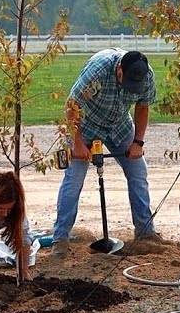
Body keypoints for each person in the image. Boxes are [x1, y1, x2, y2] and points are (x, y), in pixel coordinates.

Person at [52, 48, 159, 249]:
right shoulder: (99, 70)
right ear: (119, 69)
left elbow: (143, 107)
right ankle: (60, 239)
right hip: (85, 124)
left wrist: (138, 142)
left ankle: (146, 233)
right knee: (74, 180)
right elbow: (72, 105)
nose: (130, 87)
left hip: (119, 124)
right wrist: (78, 143)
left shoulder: (146, 76)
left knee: (138, 172)